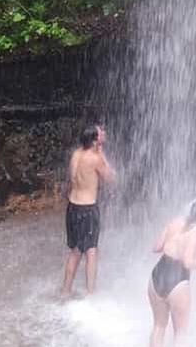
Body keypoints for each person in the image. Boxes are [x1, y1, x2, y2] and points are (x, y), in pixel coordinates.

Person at [148, 198, 196, 347]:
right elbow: (188, 262)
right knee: (180, 332)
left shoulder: (175, 221)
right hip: (177, 278)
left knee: (159, 326)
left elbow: (156, 247)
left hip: (157, 274)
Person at [60, 125, 116, 299]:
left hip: (72, 207)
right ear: (94, 140)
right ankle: (91, 294)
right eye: (101, 133)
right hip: (87, 209)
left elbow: (73, 178)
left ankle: (65, 291)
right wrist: (103, 155)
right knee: (91, 251)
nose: (104, 134)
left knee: (75, 250)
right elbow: (111, 178)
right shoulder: (95, 158)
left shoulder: (76, 154)